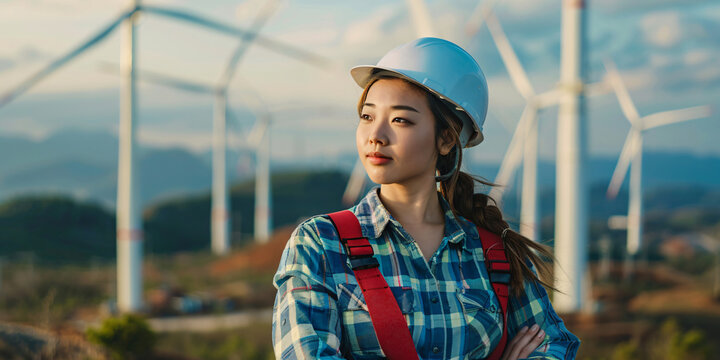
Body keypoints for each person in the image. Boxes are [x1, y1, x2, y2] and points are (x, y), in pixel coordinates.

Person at [272, 37, 580, 360]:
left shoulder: (493, 254)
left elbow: (553, 344)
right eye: (367, 116)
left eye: (400, 120)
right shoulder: (319, 245)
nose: (376, 135)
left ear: (446, 139)